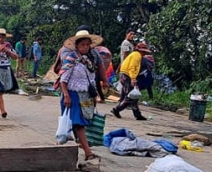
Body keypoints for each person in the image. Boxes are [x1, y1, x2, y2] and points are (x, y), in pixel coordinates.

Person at [58, 30, 102, 163]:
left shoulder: (88, 61)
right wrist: (66, 95)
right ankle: (88, 153)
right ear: (77, 45)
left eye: (87, 45)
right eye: (83, 44)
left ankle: (59, 147)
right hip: (73, 95)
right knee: (79, 124)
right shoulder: (71, 59)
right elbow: (63, 79)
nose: (85, 47)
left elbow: (91, 80)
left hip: (85, 95)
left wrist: (94, 96)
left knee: (77, 123)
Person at [111, 42, 151, 120]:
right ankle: (117, 109)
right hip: (127, 76)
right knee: (130, 97)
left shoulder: (135, 54)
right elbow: (132, 67)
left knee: (134, 97)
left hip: (125, 74)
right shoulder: (137, 55)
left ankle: (137, 114)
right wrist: (133, 79)